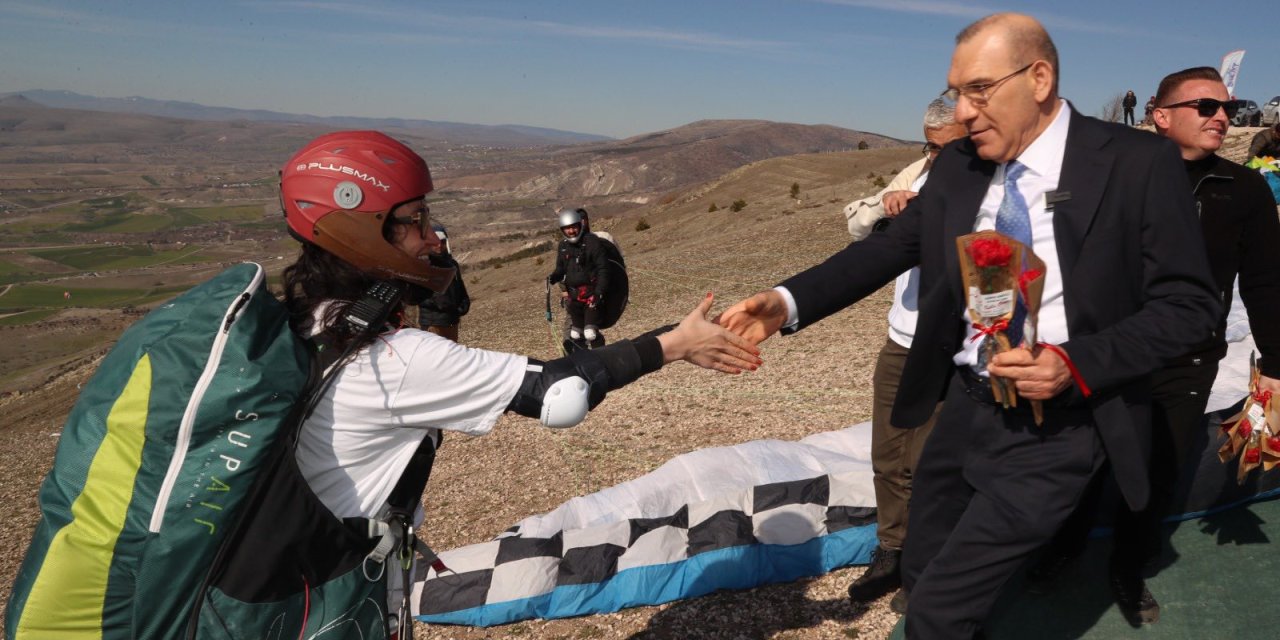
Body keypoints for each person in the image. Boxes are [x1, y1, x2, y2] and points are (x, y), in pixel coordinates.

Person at [718, 13, 1220, 639]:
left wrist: (1074, 362)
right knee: (923, 572)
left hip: (1061, 426)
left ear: (1039, 78)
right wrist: (787, 301)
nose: (962, 110)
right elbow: (889, 246)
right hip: (962, 410)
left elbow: (1189, 307)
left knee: (939, 612)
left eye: (979, 89)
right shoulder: (959, 165)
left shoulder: (1137, 162)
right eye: (956, 91)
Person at [278, 131, 761, 619]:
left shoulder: (303, 319)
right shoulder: (394, 359)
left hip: (285, 569)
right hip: (329, 592)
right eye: (416, 219)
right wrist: (674, 344)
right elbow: (559, 393)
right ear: (360, 229)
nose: (430, 237)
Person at [1028, 66, 1280, 625]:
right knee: (1078, 457)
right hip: (1105, 350)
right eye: (1207, 107)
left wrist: (1278, 362)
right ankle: (1062, 548)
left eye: (1229, 109)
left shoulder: (1244, 189)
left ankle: (1128, 565)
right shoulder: (1111, 176)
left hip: (1187, 358)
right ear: (1160, 117)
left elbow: (1264, 282)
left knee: (1158, 467)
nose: (1222, 117)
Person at [843, 99, 967, 608]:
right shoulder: (919, 174)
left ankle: (931, 569)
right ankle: (893, 550)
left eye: (947, 147)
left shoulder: (993, 185)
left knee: (930, 462)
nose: (936, 158)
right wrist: (889, 201)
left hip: (953, 347)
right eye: (929, 146)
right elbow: (858, 233)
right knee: (887, 455)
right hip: (901, 339)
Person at [548, 206, 610, 348]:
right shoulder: (563, 246)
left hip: (591, 296)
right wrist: (554, 277)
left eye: (573, 227)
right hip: (574, 298)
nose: (571, 231)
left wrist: (599, 293)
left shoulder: (592, 242)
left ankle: (602, 355)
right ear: (562, 230)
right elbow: (561, 268)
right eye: (567, 228)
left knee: (590, 333)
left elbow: (603, 269)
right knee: (575, 334)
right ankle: (583, 360)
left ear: (580, 225)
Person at [416, 222, 469, 342]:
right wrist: (439, 303)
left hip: (451, 320)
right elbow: (417, 295)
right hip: (433, 322)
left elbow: (459, 286)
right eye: (434, 243)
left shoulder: (452, 264)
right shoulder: (424, 266)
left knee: (452, 356)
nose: (439, 246)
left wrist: (464, 302)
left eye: (442, 242)